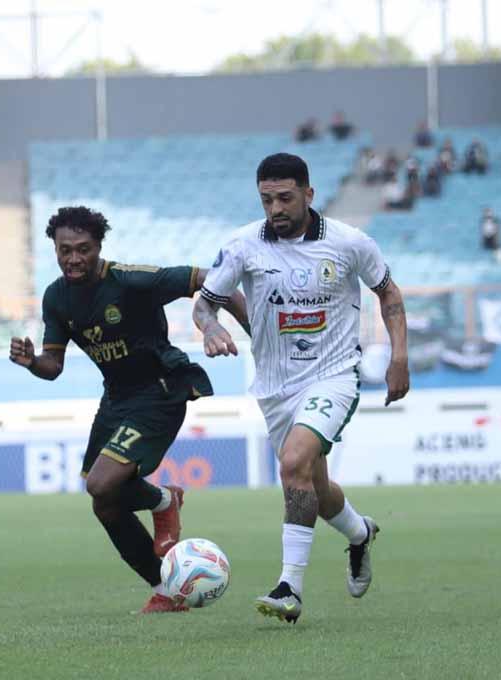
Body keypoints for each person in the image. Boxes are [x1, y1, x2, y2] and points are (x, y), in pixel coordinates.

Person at [193, 153, 409, 625]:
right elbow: (205, 304)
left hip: (333, 374)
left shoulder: (350, 243)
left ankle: (290, 587)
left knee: (292, 463)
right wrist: (210, 327)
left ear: (309, 195)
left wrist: (398, 357)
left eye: (285, 197)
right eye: (267, 199)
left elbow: (388, 294)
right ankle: (359, 534)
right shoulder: (242, 245)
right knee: (313, 483)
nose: (275, 208)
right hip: (274, 386)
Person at [9, 206, 249, 614]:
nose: (73, 258)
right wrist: (32, 361)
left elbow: (213, 280)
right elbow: (54, 367)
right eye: (64, 250)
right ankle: (166, 589)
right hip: (117, 399)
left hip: (160, 391)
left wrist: (242, 330)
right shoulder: (56, 297)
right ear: (54, 249)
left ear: (99, 247)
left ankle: (162, 502)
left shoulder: (131, 280)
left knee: (101, 485)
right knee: (105, 503)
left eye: (83, 249)